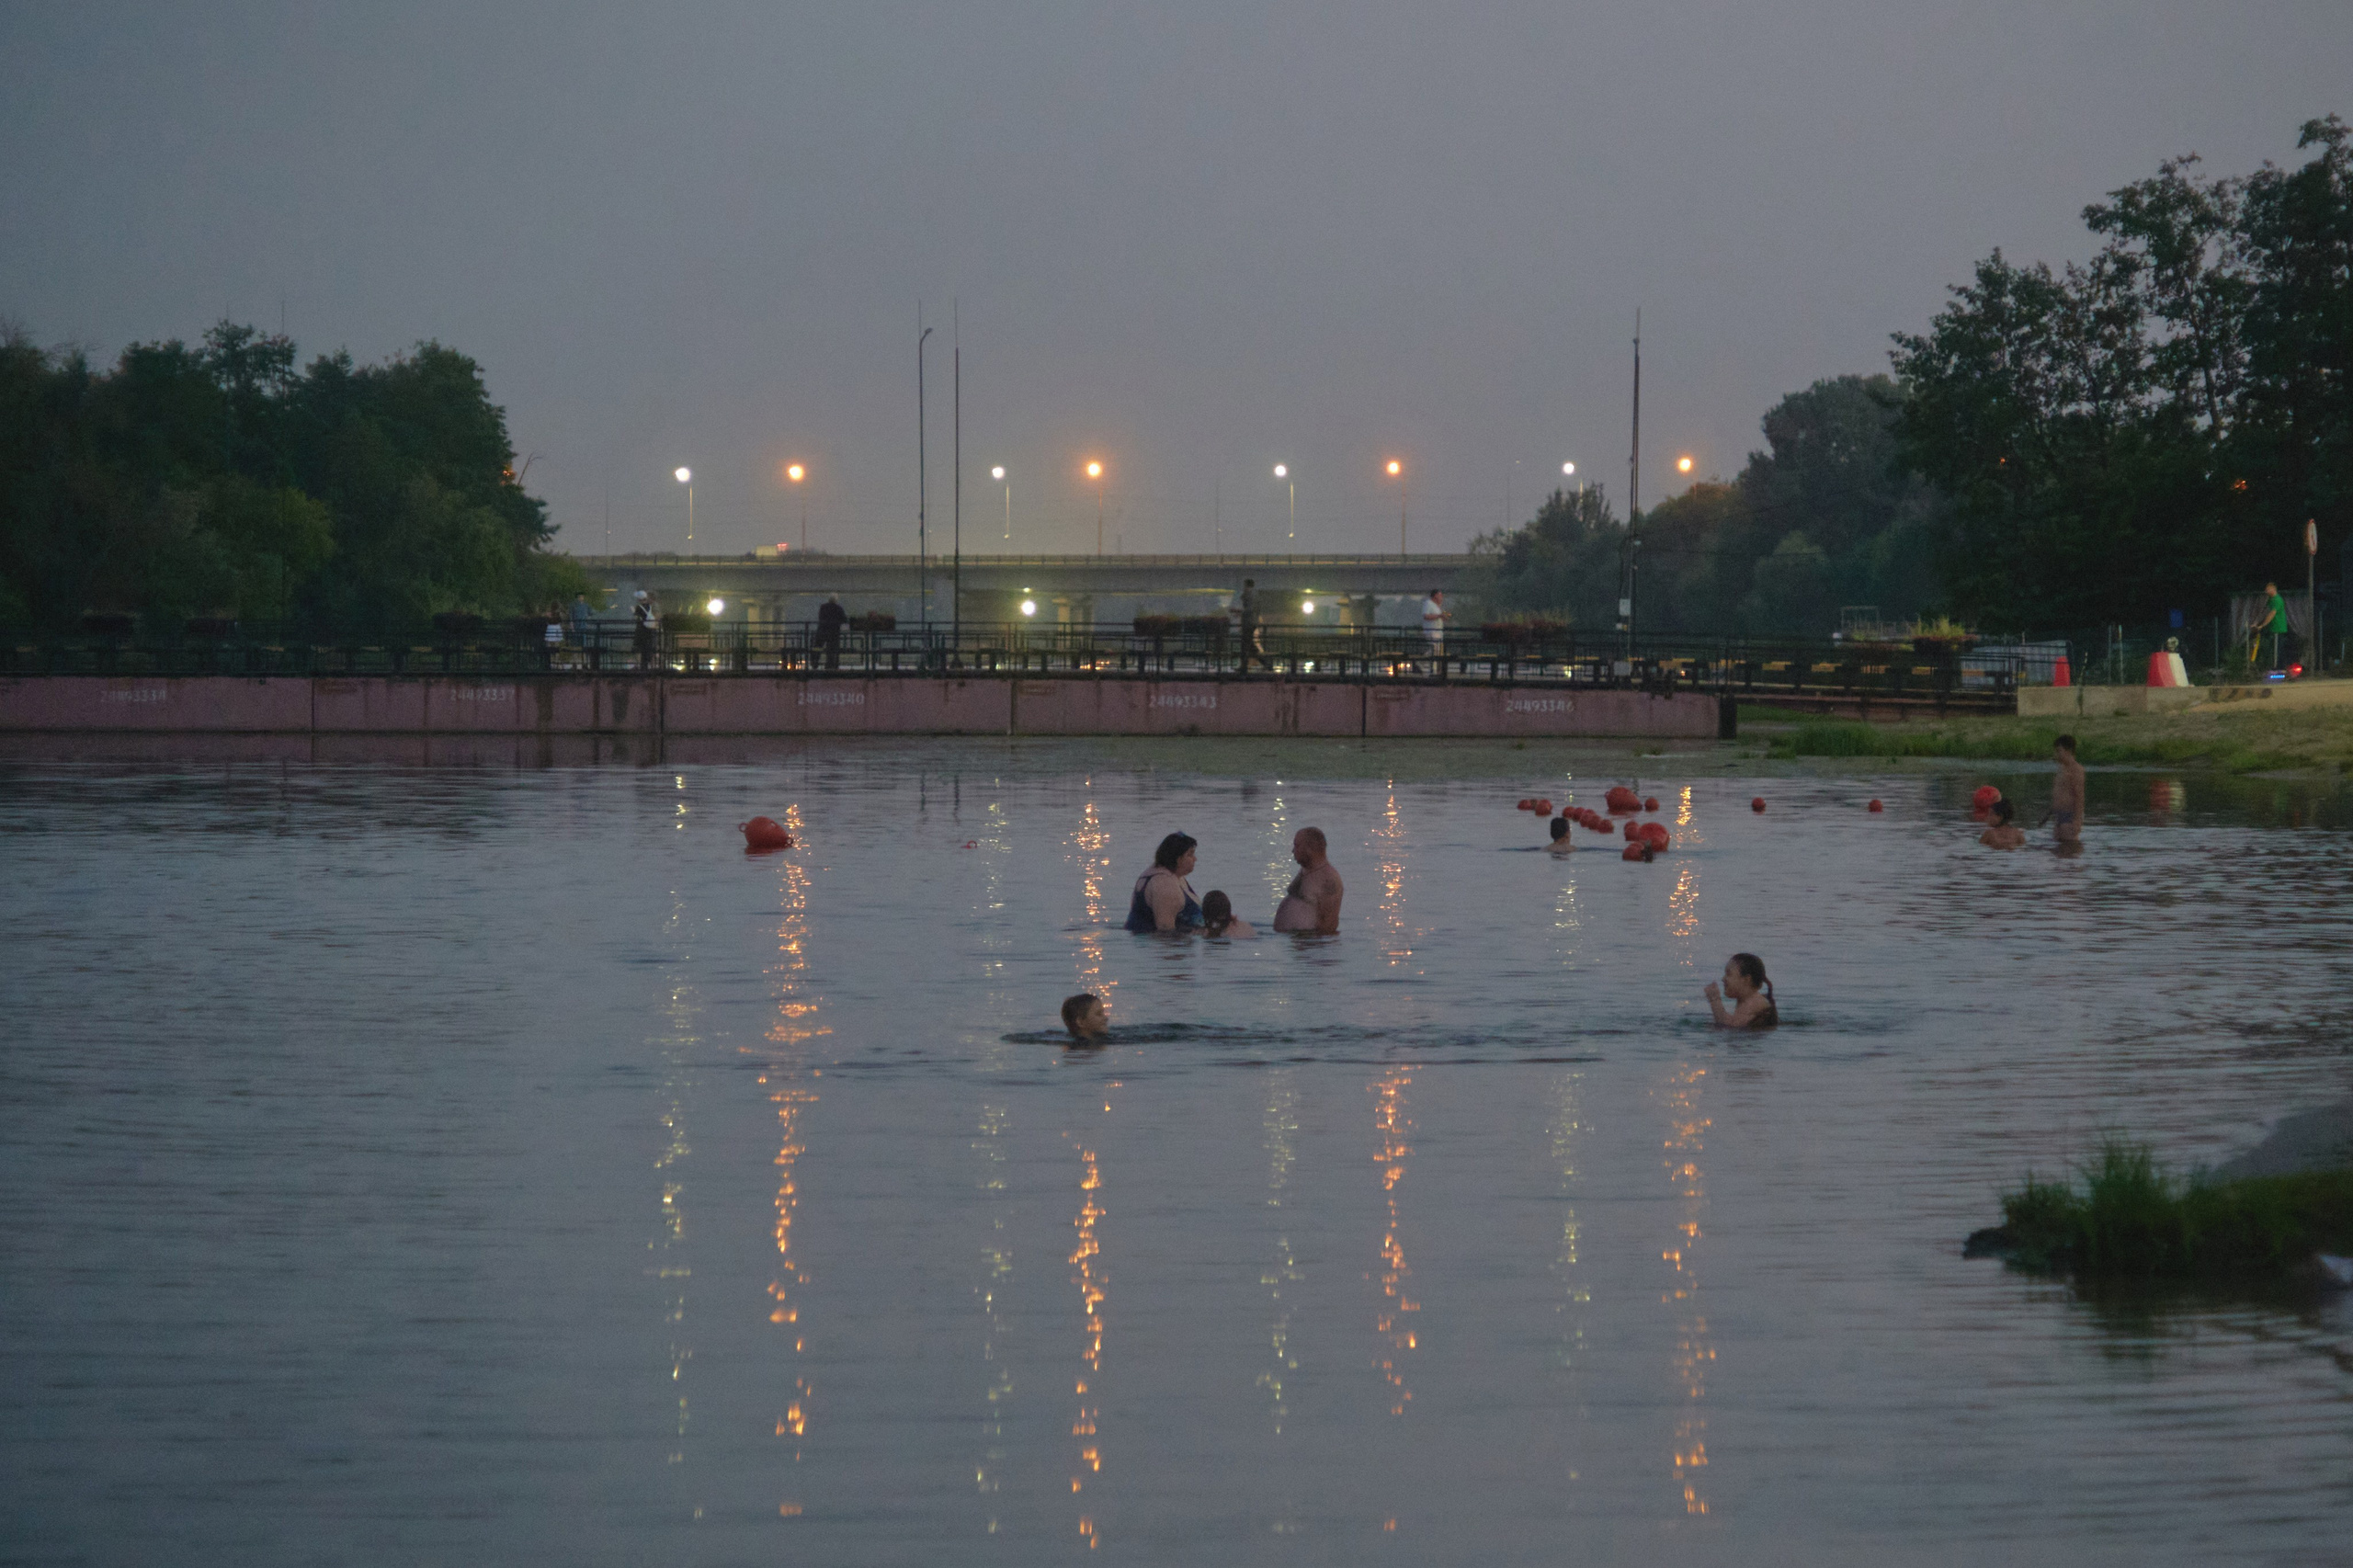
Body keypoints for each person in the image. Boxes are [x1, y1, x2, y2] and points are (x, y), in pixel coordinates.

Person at [1125, 833, 1203, 933]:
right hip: (1168, 945)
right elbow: (1165, 932)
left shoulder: (1171, 876)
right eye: (1190, 855)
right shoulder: (1164, 884)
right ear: (1178, 859)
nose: (1195, 859)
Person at [1272, 826, 1344, 935]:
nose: (1293, 851)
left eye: (1297, 846)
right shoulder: (1306, 870)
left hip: (1309, 945)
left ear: (1310, 848)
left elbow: (1329, 924)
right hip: (1293, 942)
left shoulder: (1329, 879)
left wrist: (1311, 946)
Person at [1704, 953, 1779, 1029]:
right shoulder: (1748, 1000)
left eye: (1729, 974)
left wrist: (1715, 1000)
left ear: (1746, 980)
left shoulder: (1753, 1002)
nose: (1723, 979)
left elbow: (1731, 1026)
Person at [2048, 733, 2085, 846]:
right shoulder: (2061, 769)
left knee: (2070, 848)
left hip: (2069, 817)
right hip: (2059, 816)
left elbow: (2079, 796)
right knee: (2057, 853)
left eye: (2059, 751)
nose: (2056, 755)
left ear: (2068, 751)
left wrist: (2077, 820)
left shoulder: (2076, 770)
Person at [2262, 580, 2290, 674]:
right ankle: (2281, 668)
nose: (2266, 591)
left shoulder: (2277, 600)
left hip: (2278, 628)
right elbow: (2265, 611)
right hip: (2274, 627)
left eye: (2268, 589)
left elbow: (2272, 613)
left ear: (2273, 589)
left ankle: (2277, 668)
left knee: (2277, 649)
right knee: (2278, 648)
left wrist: (2263, 625)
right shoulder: (2271, 600)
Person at [816, 594, 847, 671]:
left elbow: (820, 617)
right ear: (836, 600)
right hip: (834, 632)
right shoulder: (838, 608)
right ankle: (833, 665)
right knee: (833, 649)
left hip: (823, 630)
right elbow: (844, 619)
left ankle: (815, 663)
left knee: (818, 648)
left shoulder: (823, 607)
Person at [1238, 578, 1262, 675]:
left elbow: (1250, 609)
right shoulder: (1252, 594)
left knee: (1246, 645)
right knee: (1249, 644)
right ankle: (1265, 662)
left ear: (1247, 585)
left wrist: (1240, 611)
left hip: (1249, 622)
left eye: (1244, 585)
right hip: (1250, 622)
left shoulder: (1252, 595)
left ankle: (1244, 666)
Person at [632, 590, 658, 670]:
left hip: (641, 631)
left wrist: (633, 612)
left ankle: (639, 665)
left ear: (639, 599)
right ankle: (652, 665)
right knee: (650, 648)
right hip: (649, 630)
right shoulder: (649, 606)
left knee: (638, 648)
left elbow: (637, 618)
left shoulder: (638, 607)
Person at [1421, 588, 1449, 652]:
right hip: (1432, 631)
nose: (1442, 597)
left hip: (1438, 631)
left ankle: (1426, 660)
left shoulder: (1436, 606)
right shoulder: (1428, 603)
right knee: (1435, 650)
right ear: (1436, 595)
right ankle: (1424, 661)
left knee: (1438, 650)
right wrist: (1439, 616)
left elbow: (1438, 617)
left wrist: (1443, 617)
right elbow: (1426, 616)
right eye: (1440, 595)